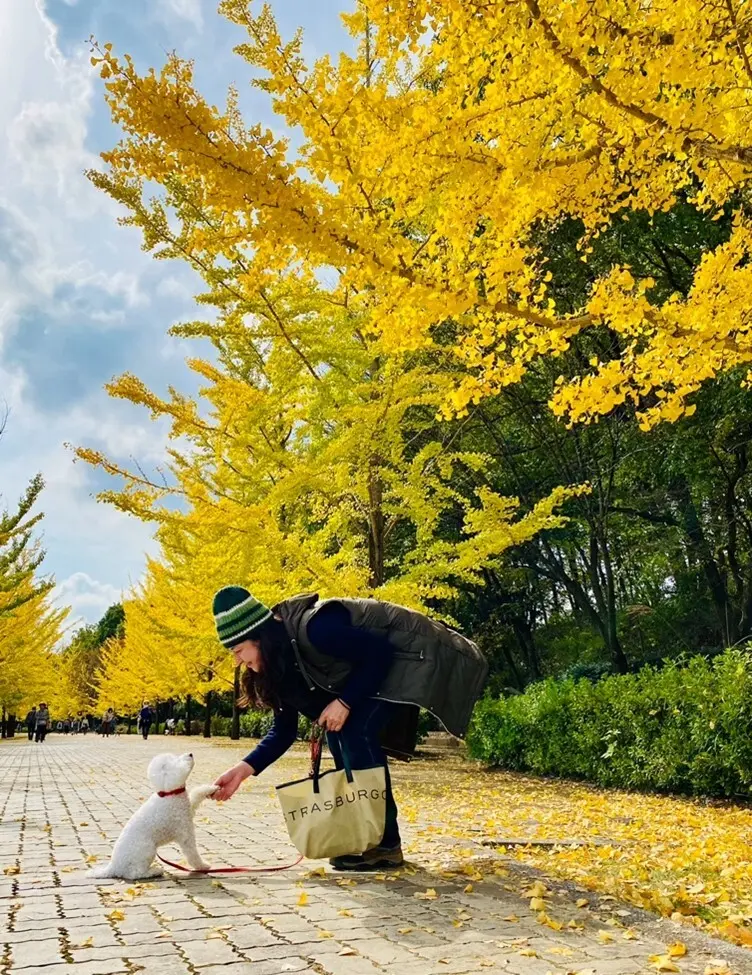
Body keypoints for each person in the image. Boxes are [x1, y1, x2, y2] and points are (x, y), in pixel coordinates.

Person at [211, 587, 487, 871]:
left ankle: (385, 844)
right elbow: (283, 731)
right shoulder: (279, 663)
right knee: (338, 732)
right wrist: (241, 771)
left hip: (410, 655)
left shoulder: (317, 629)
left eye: (239, 650)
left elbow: (380, 653)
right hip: (370, 672)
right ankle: (367, 836)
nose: (237, 661)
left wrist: (344, 702)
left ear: (261, 638)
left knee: (355, 730)